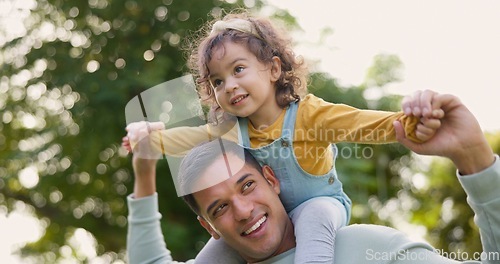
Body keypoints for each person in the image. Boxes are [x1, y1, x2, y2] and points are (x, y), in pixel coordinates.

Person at [123, 12, 443, 264]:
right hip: (266, 219)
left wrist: (411, 123)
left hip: (321, 205)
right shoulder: (232, 129)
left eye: (238, 70)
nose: (229, 86)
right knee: (210, 257)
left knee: (313, 227)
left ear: (274, 68)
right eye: (217, 81)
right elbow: (192, 137)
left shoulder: (309, 115)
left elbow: (360, 123)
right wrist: (151, 137)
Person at [125, 90, 499, 263]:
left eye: (248, 185)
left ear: (272, 179)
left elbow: (358, 123)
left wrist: (476, 160)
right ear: (208, 227)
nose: (242, 210)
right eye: (220, 207)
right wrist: (144, 169)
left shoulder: (370, 251)